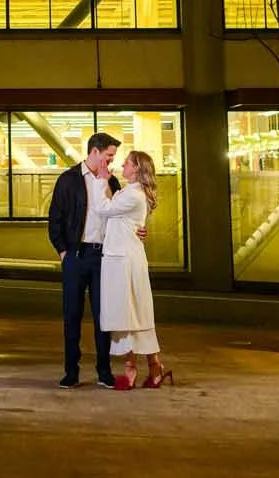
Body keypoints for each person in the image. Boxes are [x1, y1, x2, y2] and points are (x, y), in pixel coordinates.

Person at [47, 130, 120, 388]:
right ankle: (71, 371)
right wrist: (64, 252)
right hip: (76, 256)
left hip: (104, 257)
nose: (110, 162)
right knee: (72, 315)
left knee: (104, 317)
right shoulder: (68, 180)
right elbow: (54, 218)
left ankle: (104, 371)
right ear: (94, 152)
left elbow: (119, 216)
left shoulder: (112, 182)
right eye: (108, 156)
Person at [100, 149, 172, 389]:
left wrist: (101, 179)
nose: (122, 165)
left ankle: (135, 367)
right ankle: (153, 366)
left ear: (137, 168)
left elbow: (104, 208)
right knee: (131, 312)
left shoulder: (133, 195)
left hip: (126, 261)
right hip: (123, 258)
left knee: (130, 312)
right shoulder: (130, 192)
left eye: (127, 163)